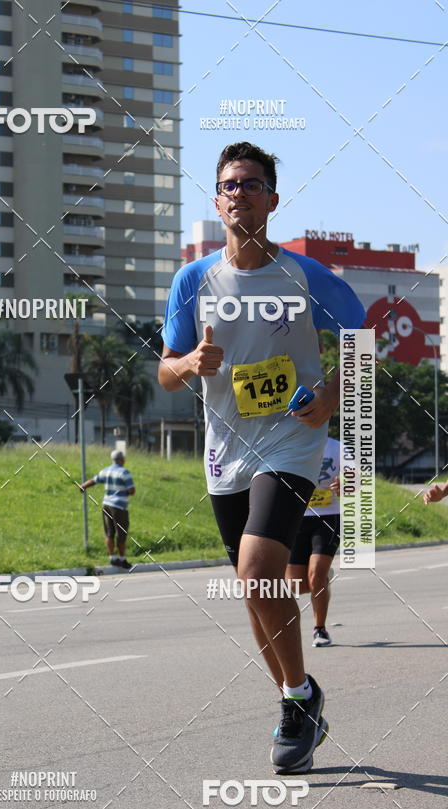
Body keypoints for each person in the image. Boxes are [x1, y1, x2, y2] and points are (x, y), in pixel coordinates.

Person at [158, 141, 365, 773]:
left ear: (272, 200)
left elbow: (363, 341)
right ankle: (298, 700)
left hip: (293, 440)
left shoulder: (304, 276)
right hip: (227, 451)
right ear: (216, 202)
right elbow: (166, 373)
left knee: (256, 569)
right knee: (258, 589)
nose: (239, 193)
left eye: (251, 184)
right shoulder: (193, 280)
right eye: (228, 185)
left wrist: (333, 394)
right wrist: (191, 363)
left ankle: (297, 699)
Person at [286, 435, 342, 648]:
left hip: (328, 517)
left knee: (316, 574)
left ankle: (320, 629)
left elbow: (358, 479)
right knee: (298, 585)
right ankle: (321, 578)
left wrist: (346, 484)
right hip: (296, 518)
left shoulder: (336, 448)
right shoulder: (289, 443)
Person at [79, 450, 135, 570]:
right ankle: (123, 559)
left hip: (106, 505)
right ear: (122, 460)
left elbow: (94, 481)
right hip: (119, 507)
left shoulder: (106, 470)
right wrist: (123, 492)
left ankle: (112, 558)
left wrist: (83, 486)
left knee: (109, 532)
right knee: (121, 533)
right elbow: (132, 491)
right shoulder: (125, 472)